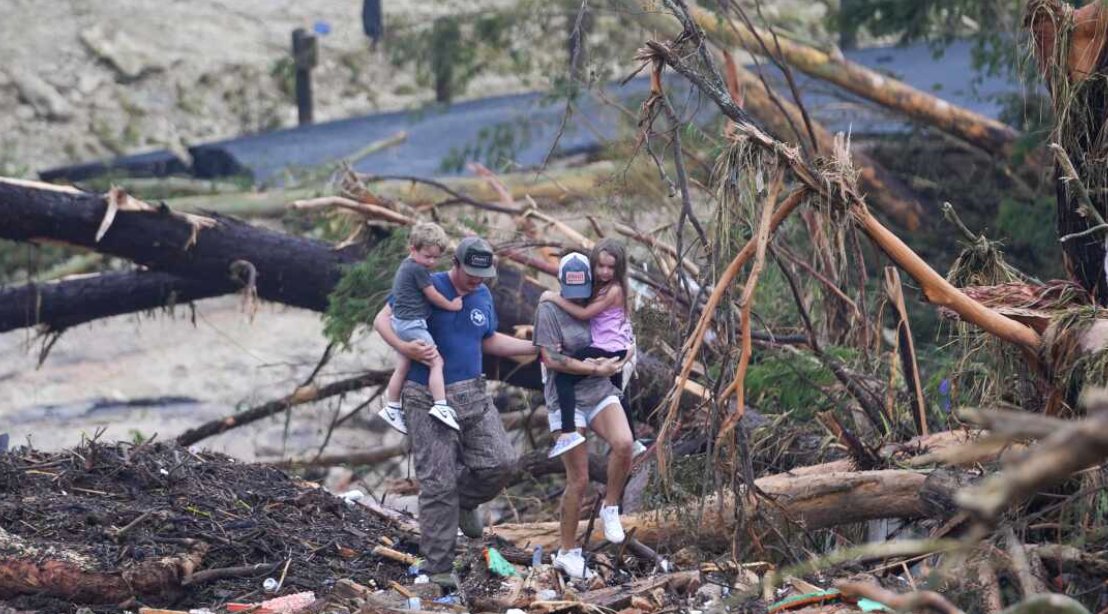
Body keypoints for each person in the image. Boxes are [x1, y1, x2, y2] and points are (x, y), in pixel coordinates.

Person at [372, 236, 537, 589]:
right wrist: (404, 347)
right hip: (425, 397)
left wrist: (532, 346)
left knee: (501, 462)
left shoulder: (482, 295)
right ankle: (438, 569)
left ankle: (463, 502)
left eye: (483, 275)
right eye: (471, 273)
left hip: (473, 393)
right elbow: (381, 320)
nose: (477, 280)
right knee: (437, 483)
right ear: (456, 264)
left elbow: (487, 339)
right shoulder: (425, 282)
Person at [534, 252, 633, 580]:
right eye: (570, 292)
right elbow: (551, 358)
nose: (577, 298)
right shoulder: (548, 309)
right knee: (579, 479)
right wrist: (593, 367)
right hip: (566, 400)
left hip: (599, 391)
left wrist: (621, 358)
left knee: (624, 443)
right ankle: (567, 552)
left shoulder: (599, 299)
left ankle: (611, 507)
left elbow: (623, 334)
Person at [541, 239, 635, 458]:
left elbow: (584, 314)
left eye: (611, 267)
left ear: (619, 268)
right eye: (600, 266)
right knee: (617, 391)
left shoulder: (613, 290)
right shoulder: (601, 288)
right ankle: (635, 440)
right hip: (613, 347)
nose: (605, 272)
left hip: (607, 348)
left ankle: (567, 432)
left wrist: (551, 297)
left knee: (563, 379)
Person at [378, 222, 464, 435]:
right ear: (412, 249)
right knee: (436, 362)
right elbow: (432, 295)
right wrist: (452, 305)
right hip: (411, 324)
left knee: (403, 365)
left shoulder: (408, 266)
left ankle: (392, 406)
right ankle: (440, 405)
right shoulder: (418, 270)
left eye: (436, 257)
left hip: (400, 323)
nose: (432, 262)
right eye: (427, 256)